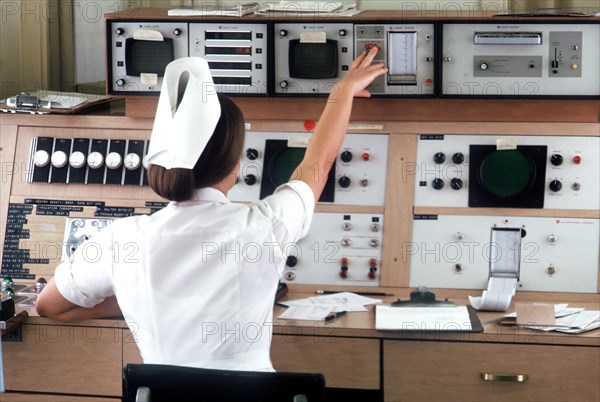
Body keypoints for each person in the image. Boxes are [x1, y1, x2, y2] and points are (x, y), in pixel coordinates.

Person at [35, 49, 387, 371]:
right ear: (234, 165)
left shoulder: (122, 239)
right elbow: (318, 164)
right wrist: (342, 93)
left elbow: (49, 306)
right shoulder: (267, 225)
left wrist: (135, 297)